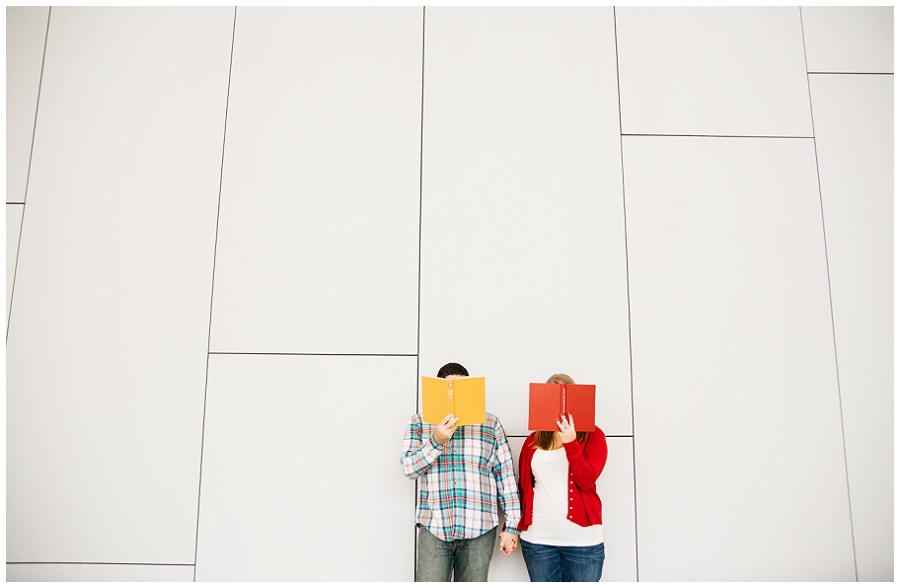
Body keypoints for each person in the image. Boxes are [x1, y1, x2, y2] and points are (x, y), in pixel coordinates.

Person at [401, 362, 521, 582]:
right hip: (434, 527)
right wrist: (436, 441)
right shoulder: (419, 423)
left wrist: (512, 526)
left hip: (479, 529)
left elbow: (506, 479)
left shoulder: (490, 424)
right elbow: (409, 469)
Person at [517, 373, 608, 582]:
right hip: (537, 541)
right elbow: (523, 489)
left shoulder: (594, 436)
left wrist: (571, 442)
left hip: (583, 543)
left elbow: (586, 480)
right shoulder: (533, 440)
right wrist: (510, 529)